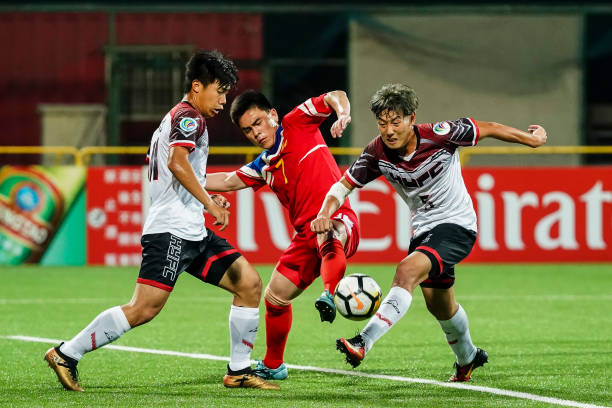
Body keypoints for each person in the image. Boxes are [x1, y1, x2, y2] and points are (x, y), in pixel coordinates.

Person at [44, 50, 279, 391]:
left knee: (248, 283)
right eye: (219, 91)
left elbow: (177, 174)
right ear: (197, 86)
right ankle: (67, 353)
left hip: (192, 230)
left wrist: (203, 197)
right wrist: (209, 204)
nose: (222, 101)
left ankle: (239, 370)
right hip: (172, 232)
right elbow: (177, 164)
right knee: (143, 308)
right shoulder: (190, 118)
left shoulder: (175, 118)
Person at [311, 83, 547, 382]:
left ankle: (363, 341)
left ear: (412, 118)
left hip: (457, 225)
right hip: (423, 231)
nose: (389, 130)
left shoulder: (440, 134)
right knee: (440, 306)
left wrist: (531, 140)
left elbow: (487, 127)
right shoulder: (377, 152)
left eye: (396, 122)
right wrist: (324, 213)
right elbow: (341, 187)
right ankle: (469, 358)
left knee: (406, 272)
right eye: (382, 123)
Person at [204, 89, 360, 380]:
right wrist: (186, 176)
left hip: (337, 218)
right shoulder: (264, 165)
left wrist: (342, 113)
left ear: (272, 115)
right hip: (305, 237)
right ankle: (274, 365)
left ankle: (330, 293)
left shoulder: (296, 123)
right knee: (275, 298)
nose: (256, 133)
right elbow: (227, 180)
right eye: (248, 130)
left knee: (329, 235)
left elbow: (335, 95)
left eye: (258, 123)